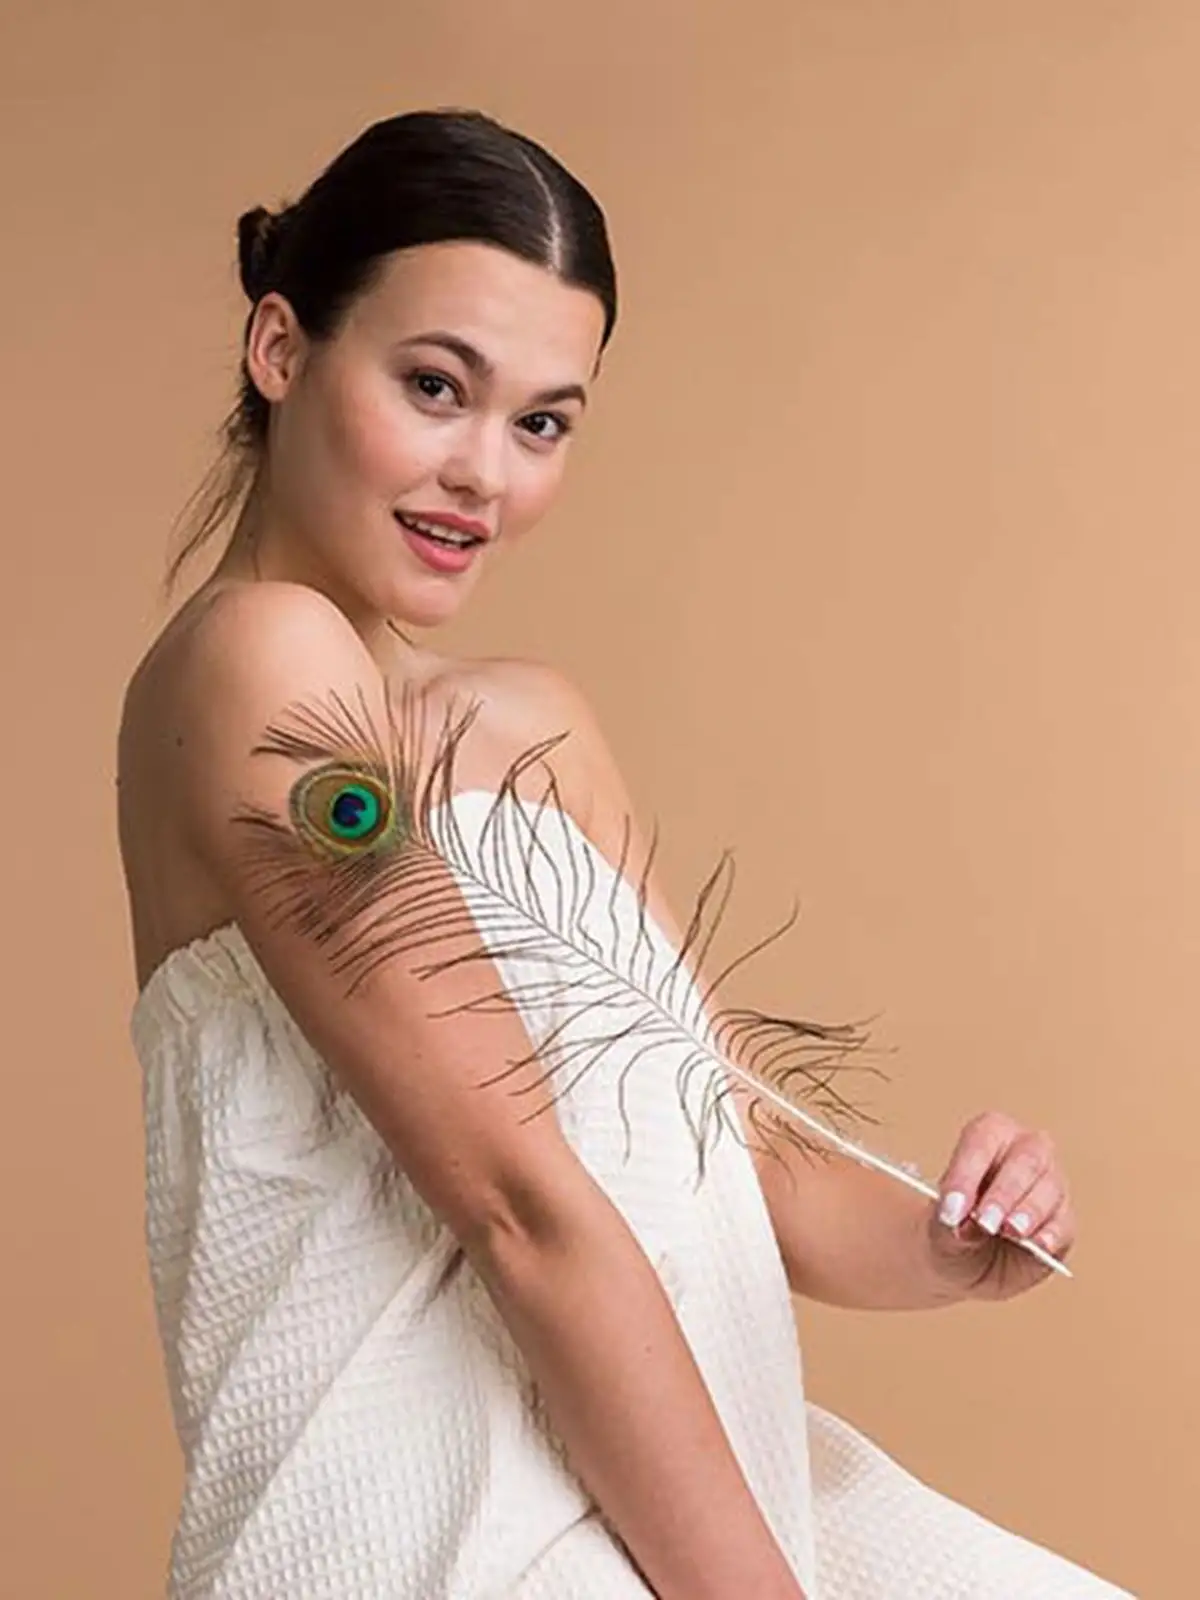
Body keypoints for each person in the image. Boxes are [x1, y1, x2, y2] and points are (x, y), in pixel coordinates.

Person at [118, 109, 1133, 1599]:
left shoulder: (535, 725)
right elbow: (519, 1205)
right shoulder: (255, 667)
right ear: (281, 348)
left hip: (675, 1477)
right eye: (435, 386)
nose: (484, 473)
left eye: (542, 423)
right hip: (446, 1523)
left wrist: (951, 1238)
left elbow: (732, 1150)